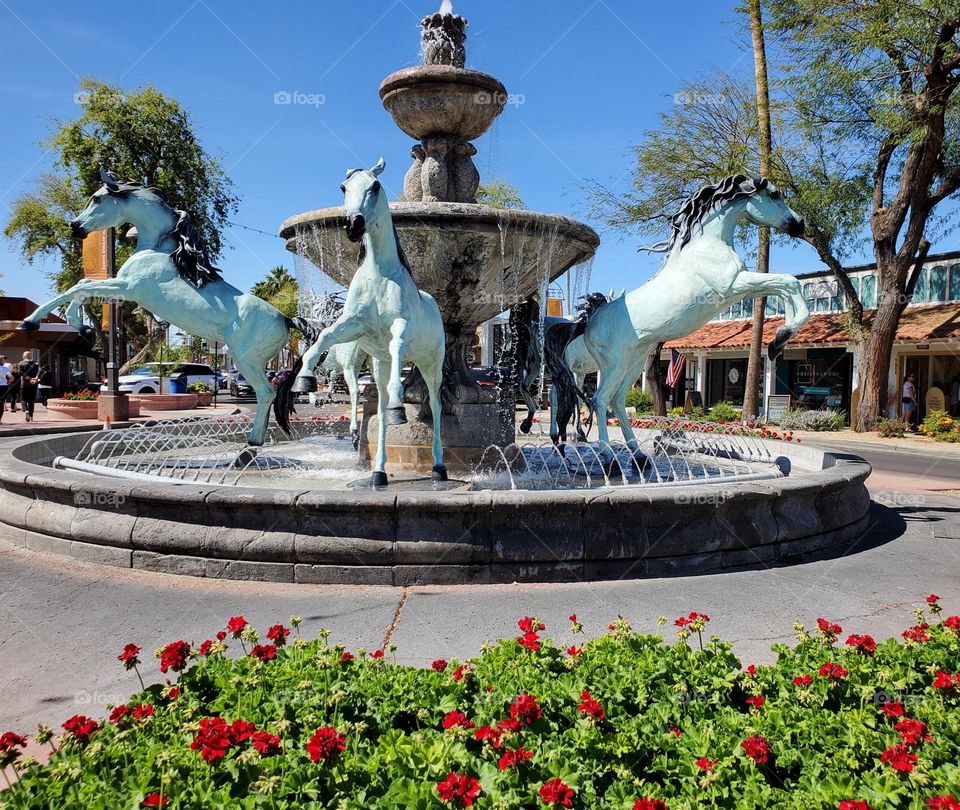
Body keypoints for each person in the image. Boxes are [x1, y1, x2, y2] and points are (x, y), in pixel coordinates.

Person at [17, 351, 40, 423]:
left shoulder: (21, 363)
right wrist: (35, 378)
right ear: (31, 356)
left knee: (23, 399)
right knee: (31, 401)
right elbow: (39, 371)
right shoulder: (36, 363)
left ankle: (26, 410)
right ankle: (31, 416)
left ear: (24, 356)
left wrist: (29, 379)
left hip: (24, 384)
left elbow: (20, 373)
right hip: (33, 385)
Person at [0, 357, 11, 424]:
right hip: (3, 387)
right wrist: (8, 381)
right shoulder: (5, 368)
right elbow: (11, 377)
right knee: (1, 404)